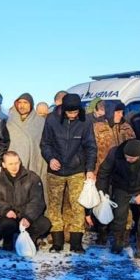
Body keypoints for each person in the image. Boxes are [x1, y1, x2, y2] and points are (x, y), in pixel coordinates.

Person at [40, 93, 97, 253]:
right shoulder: (51, 119)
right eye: (70, 112)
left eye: (75, 112)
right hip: (55, 170)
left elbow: (91, 146)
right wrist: (50, 158)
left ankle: (76, 242)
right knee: (54, 206)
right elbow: (45, 144)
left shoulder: (85, 121)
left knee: (78, 206)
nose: (73, 115)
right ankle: (57, 242)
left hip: (76, 170)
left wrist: (90, 169)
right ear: (63, 109)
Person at [97, 139, 140, 259]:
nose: (127, 160)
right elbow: (104, 172)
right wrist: (102, 192)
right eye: (126, 157)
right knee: (119, 213)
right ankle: (118, 239)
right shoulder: (115, 153)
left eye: (131, 158)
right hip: (122, 186)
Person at [90, 102, 136, 244]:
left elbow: (133, 148)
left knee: (123, 205)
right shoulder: (97, 127)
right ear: (110, 111)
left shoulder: (127, 127)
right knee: (103, 201)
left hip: (123, 172)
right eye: (117, 112)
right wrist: (92, 170)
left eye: (122, 112)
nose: (120, 115)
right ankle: (102, 232)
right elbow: (91, 149)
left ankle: (124, 233)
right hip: (102, 171)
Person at [0, 151, 51, 251]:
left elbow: (37, 201)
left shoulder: (32, 178)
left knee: (44, 223)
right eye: (10, 164)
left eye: (16, 163)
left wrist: (28, 217)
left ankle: (31, 239)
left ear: (20, 162)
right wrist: (6, 210)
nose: (14, 167)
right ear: (4, 165)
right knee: (5, 224)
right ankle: (8, 239)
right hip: (8, 216)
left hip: (25, 214)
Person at [7, 93, 48, 200]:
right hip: (13, 164)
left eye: (25, 103)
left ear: (31, 104)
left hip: (35, 162)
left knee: (33, 193)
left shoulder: (40, 122)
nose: (22, 105)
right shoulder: (8, 122)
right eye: (19, 102)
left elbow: (44, 143)